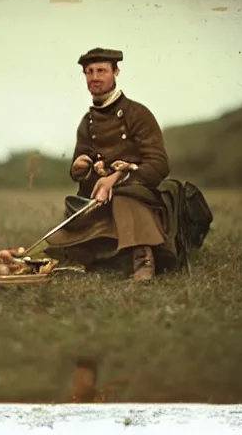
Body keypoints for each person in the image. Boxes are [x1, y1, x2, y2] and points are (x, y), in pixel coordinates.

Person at [43, 47, 174, 282]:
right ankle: (102, 253)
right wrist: (79, 169)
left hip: (137, 198)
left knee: (126, 198)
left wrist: (116, 178)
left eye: (102, 71)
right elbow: (80, 165)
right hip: (98, 203)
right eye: (89, 72)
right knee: (60, 250)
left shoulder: (138, 113)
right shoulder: (87, 122)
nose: (94, 77)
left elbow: (159, 165)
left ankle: (142, 258)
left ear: (116, 72)